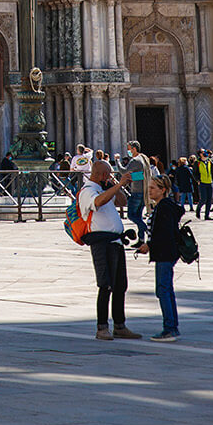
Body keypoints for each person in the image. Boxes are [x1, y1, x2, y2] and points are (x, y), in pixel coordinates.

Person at [78, 159, 142, 341]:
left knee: (120, 285)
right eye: (108, 174)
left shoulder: (104, 188)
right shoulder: (87, 191)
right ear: (102, 175)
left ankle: (120, 326)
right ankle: (102, 327)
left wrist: (116, 185)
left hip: (116, 243)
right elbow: (98, 202)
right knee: (105, 284)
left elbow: (121, 200)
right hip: (101, 243)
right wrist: (115, 185)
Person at [137, 173, 184, 341]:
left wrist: (149, 245)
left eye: (152, 188)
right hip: (166, 252)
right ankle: (172, 326)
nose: (149, 191)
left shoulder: (163, 207)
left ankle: (169, 328)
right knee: (167, 290)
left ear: (163, 190)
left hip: (164, 253)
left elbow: (163, 233)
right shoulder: (164, 206)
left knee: (163, 290)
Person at [125, 140, 151, 243]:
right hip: (143, 190)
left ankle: (147, 230)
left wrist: (117, 161)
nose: (128, 152)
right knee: (139, 216)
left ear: (134, 149)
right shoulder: (143, 159)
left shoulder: (135, 160)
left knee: (131, 215)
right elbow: (141, 175)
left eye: (129, 149)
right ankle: (141, 240)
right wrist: (132, 177)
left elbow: (123, 171)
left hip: (136, 192)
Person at [196, 149, 213, 219]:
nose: (205, 153)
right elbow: (195, 172)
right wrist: (198, 180)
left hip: (209, 182)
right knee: (203, 199)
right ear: (200, 154)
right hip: (202, 182)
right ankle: (198, 209)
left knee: (209, 200)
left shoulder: (209, 161)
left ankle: (207, 215)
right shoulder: (197, 162)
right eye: (203, 152)